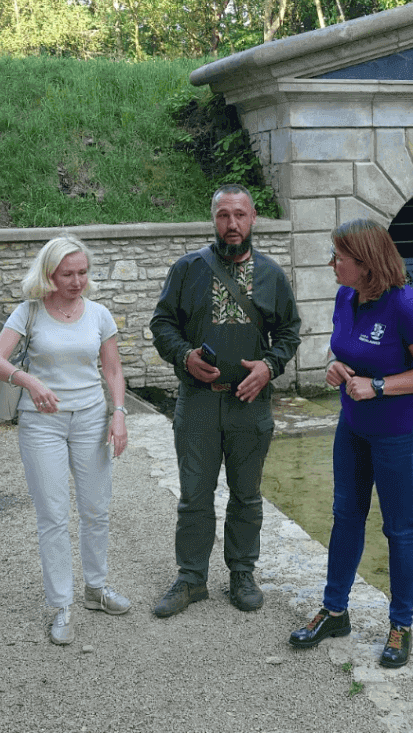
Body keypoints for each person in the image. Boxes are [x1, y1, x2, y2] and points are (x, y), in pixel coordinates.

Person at [288, 219, 413, 668]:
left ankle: (400, 625)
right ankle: (335, 611)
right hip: (354, 426)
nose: (332, 262)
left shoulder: (406, 305)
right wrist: (336, 367)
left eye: (340, 256)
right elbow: (341, 349)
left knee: (399, 529)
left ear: (366, 263)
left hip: (399, 430)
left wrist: (378, 385)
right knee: (345, 517)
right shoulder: (346, 295)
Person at [149, 184, 302, 617]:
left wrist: (268, 367)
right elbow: (162, 324)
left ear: (253, 218)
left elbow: (289, 332)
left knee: (247, 495)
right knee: (194, 495)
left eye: (239, 215)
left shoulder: (272, 274)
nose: (231, 224)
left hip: (249, 403)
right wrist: (184, 356)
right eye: (223, 215)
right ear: (212, 219)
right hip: (197, 402)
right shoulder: (187, 269)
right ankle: (191, 578)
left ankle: (241, 573)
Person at [0, 235, 130, 646]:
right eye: (68, 274)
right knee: (52, 514)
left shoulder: (99, 314)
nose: (77, 281)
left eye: (83, 272)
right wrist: (29, 381)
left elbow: (114, 371)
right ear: (49, 274)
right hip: (41, 424)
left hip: (90, 418)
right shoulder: (29, 312)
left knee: (96, 509)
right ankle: (61, 605)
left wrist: (118, 414)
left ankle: (96, 589)